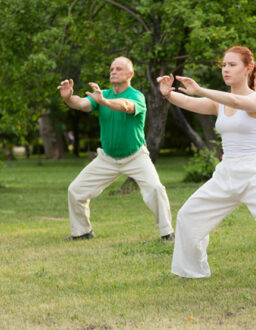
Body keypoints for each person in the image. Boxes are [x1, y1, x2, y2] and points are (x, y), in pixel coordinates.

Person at [157, 46, 256, 289]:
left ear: (248, 68)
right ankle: (191, 270)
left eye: (232, 65)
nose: (226, 70)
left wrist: (200, 89)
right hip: (226, 173)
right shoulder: (218, 103)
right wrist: (168, 94)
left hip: (255, 173)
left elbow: (237, 100)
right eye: (224, 65)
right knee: (187, 216)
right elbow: (190, 102)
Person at [57, 56, 174, 241]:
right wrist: (68, 98)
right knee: (75, 190)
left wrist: (103, 102)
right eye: (112, 68)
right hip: (107, 158)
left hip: (136, 156)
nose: (113, 71)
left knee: (155, 189)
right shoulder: (102, 95)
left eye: (119, 69)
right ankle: (82, 232)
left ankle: (167, 233)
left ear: (130, 74)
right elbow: (81, 104)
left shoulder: (136, 96)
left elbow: (125, 106)